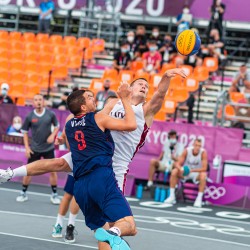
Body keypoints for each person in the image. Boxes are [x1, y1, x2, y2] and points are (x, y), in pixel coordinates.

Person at [0, 69, 187, 248]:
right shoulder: (114, 102)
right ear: (129, 88)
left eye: (146, 86)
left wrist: (166, 76)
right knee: (57, 163)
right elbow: (91, 123)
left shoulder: (145, 110)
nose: (144, 86)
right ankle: (9, 173)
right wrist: (66, 137)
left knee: (111, 223)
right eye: (139, 83)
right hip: (92, 152)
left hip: (115, 165)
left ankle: (94, 231)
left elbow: (160, 95)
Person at [66, 86, 137, 249]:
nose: (93, 99)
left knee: (102, 231)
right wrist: (125, 99)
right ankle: (115, 233)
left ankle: (110, 234)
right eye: (89, 97)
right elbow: (131, 124)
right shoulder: (99, 119)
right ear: (83, 107)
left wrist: (111, 104)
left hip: (80, 187)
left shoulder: (69, 126)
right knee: (130, 226)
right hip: (100, 178)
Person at [16, 94, 60, 204]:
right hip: (34, 149)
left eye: (40, 99)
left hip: (48, 148)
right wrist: (27, 148)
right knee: (28, 171)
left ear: (43, 101)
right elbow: (25, 133)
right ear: (33, 102)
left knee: (53, 171)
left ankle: (54, 194)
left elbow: (57, 126)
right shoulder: (29, 116)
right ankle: (23, 193)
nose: (38, 102)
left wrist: (53, 135)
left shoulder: (51, 114)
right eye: (36, 100)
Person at [164, 138, 208, 208]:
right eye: (196, 145)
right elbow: (177, 163)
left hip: (196, 173)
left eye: (199, 146)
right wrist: (181, 169)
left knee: (204, 175)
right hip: (186, 172)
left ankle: (199, 199)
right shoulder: (187, 150)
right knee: (174, 171)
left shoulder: (203, 152)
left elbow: (204, 168)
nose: (197, 147)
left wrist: (192, 170)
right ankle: (172, 196)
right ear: (193, 145)